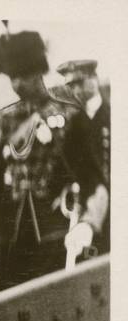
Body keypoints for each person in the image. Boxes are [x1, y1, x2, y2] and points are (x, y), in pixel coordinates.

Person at [0, 31, 108, 286]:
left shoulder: (70, 114)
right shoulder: (2, 120)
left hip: (58, 236)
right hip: (10, 241)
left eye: (24, 75)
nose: (18, 83)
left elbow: (94, 181)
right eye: (13, 77)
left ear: (39, 72)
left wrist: (88, 224)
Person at [57, 58, 110, 253]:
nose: (76, 90)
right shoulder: (73, 123)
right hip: (86, 213)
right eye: (71, 85)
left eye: (80, 82)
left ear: (94, 78)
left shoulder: (113, 114)